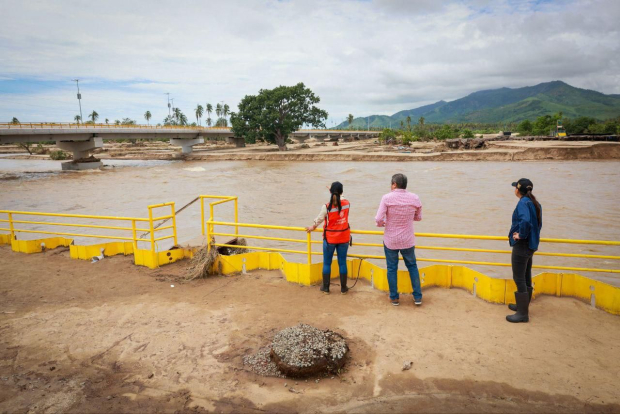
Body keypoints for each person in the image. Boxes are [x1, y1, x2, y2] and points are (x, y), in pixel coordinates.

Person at [375, 174, 423, 306]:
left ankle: (394, 297)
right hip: (408, 239)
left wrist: (382, 224)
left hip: (391, 239)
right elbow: (418, 217)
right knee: (412, 267)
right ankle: (418, 297)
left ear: (394, 184)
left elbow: (378, 219)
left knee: (391, 268)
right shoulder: (415, 198)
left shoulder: (386, 198)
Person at [506, 178, 542, 323]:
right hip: (531, 245)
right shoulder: (535, 203)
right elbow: (538, 224)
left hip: (522, 245)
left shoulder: (522, 203)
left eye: (515, 187)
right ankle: (523, 306)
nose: (514, 189)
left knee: (518, 277)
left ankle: (522, 314)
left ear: (518, 190)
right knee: (526, 275)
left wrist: (521, 235)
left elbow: (525, 221)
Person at [306, 182, 351, 295]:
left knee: (327, 263)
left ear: (331, 192)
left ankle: (325, 288)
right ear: (341, 192)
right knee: (342, 263)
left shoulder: (326, 207)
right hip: (343, 237)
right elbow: (342, 198)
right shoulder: (347, 204)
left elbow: (319, 219)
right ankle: (343, 288)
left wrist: (313, 226)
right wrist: (335, 191)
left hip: (330, 238)